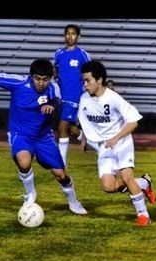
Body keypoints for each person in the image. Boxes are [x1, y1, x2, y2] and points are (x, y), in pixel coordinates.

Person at [0, 59, 87, 215]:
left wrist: (52, 106)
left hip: (44, 137)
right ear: (31, 76)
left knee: (60, 174)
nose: (41, 83)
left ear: (50, 79)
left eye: (45, 79)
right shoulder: (18, 83)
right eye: (37, 78)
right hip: (20, 134)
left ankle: (73, 201)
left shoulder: (53, 87)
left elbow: (57, 100)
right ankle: (30, 194)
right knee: (24, 163)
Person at [78, 60, 156, 227]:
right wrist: (85, 139)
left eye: (88, 81)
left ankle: (143, 216)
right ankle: (144, 183)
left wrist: (116, 138)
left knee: (127, 178)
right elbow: (86, 121)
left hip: (121, 143)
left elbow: (134, 121)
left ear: (99, 80)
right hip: (104, 147)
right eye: (83, 81)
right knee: (108, 187)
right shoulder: (84, 99)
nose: (85, 85)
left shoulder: (113, 98)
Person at [54, 24, 91, 166]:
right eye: (67, 33)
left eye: (73, 34)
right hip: (60, 96)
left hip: (74, 95)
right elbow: (56, 71)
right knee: (70, 130)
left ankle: (61, 163)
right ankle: (88, 141)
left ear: (78, 37)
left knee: (61, 127)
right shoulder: (58, 54)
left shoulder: (82, 55)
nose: (70, 36)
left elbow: (90, 73)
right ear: (64, 36)